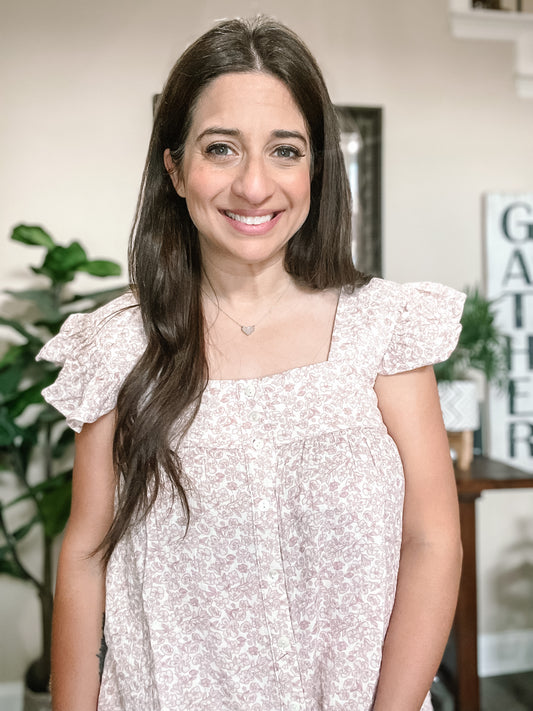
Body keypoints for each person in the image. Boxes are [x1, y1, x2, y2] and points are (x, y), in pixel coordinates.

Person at [38, 15, 464, 711]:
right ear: (174, 168)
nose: (254, 185)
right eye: (221, 149)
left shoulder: (384, 328)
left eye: (285, 151)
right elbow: (86, 558)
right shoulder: (117, 344)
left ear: (317, 167)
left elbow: (430, 539)